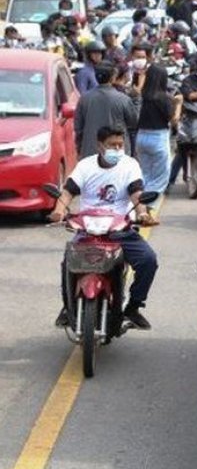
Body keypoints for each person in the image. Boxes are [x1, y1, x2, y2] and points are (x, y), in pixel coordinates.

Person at [49, 125, 158, 330]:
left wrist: (142, 213)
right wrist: (59, 210)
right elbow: (68, 191)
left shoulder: (129, 165)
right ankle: (67, 306)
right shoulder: (85, 166)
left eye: (120, 145)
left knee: (148, 260)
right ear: (100, 145)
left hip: (120, 229)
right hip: (87, 229)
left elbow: (136, 192)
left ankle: (133, 307)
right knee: (68, 262)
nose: (117, 149)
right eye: (112, 145)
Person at [75, 62, 140, 159]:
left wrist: (80, 149)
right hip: (117, 151)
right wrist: (136, 100)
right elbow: (134, 122)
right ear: (113, 77)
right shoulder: (123, 99)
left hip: (90, 152)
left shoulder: (84, 99)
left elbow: (78, 128)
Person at [136, 64, 180, 194]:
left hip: (141, 136)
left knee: (145, 174)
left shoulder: (143, 95)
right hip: (158, 137)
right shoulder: (163, 98)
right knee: (160, 178)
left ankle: (140, 204)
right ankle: (148, 207)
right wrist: (178, 105)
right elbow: (174, 120)